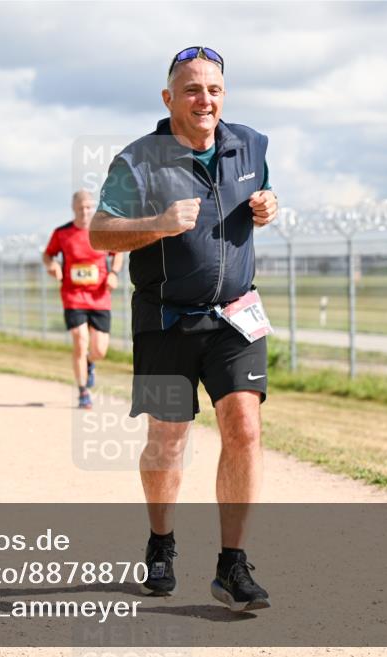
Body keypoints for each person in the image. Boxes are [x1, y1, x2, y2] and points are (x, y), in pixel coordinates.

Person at [89, 47, 279, 612]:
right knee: (169, 439)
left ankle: (232, 565)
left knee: (244, 426)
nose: (206, 100)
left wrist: (267, 205)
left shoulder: (251, 146)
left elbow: (257, 197)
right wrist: (157, 224)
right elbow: (100, 233)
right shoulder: (138, 160)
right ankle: (161, 543)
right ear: (169, 97)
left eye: (215, 90)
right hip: (166, 319)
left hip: (235, 316)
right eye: (192, 90)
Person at [43, 190, 124, 408]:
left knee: (99, 350)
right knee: (80, 340)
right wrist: (53, 267)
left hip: (99, 297)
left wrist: (114, 274)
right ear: (74, 208)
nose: (85, 211)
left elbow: (118, 253)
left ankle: (90, 363)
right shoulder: (62, 233)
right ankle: (83, 392)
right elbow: (47, 254)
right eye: (81, 207)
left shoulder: (102, 231)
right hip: (73, 295)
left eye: (89, 207)